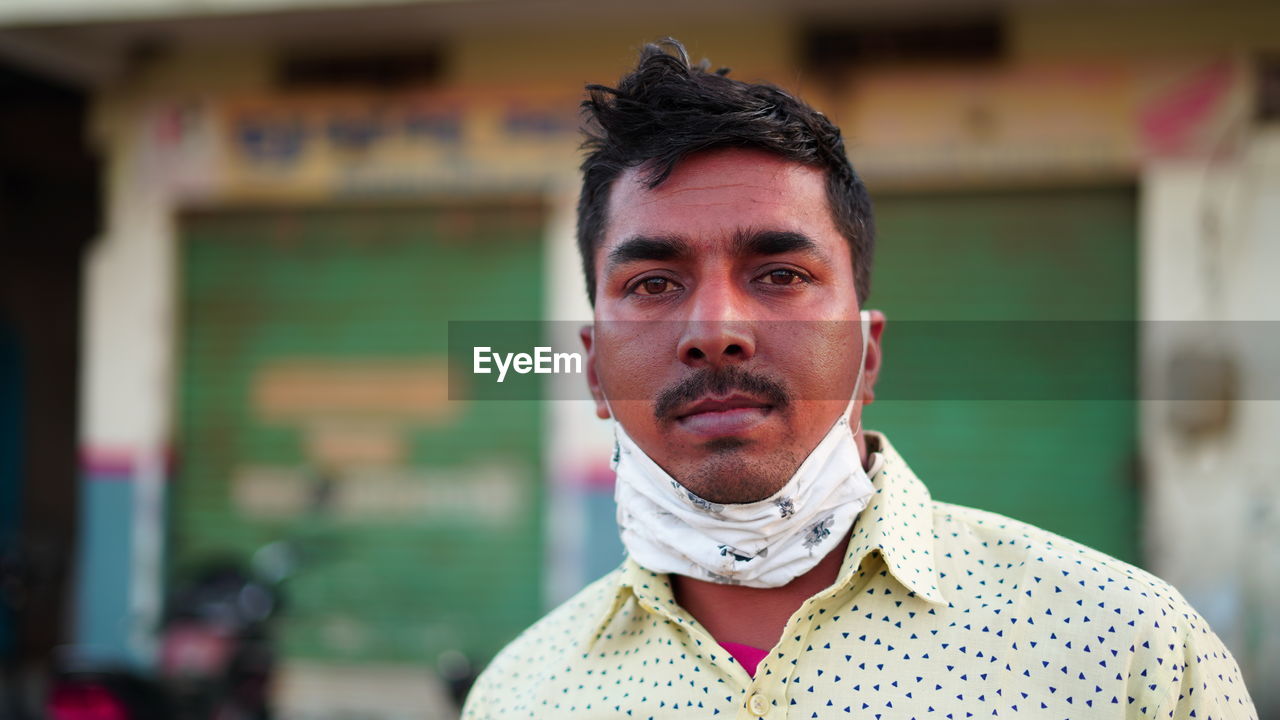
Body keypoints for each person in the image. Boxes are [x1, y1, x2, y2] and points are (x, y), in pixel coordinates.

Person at [461, 39, 1256, 719]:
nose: (715, 333)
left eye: (778, 273)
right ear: (594, 370)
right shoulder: (523, 694)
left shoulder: (1124, 652)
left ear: (867, 354)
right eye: (654, 284)